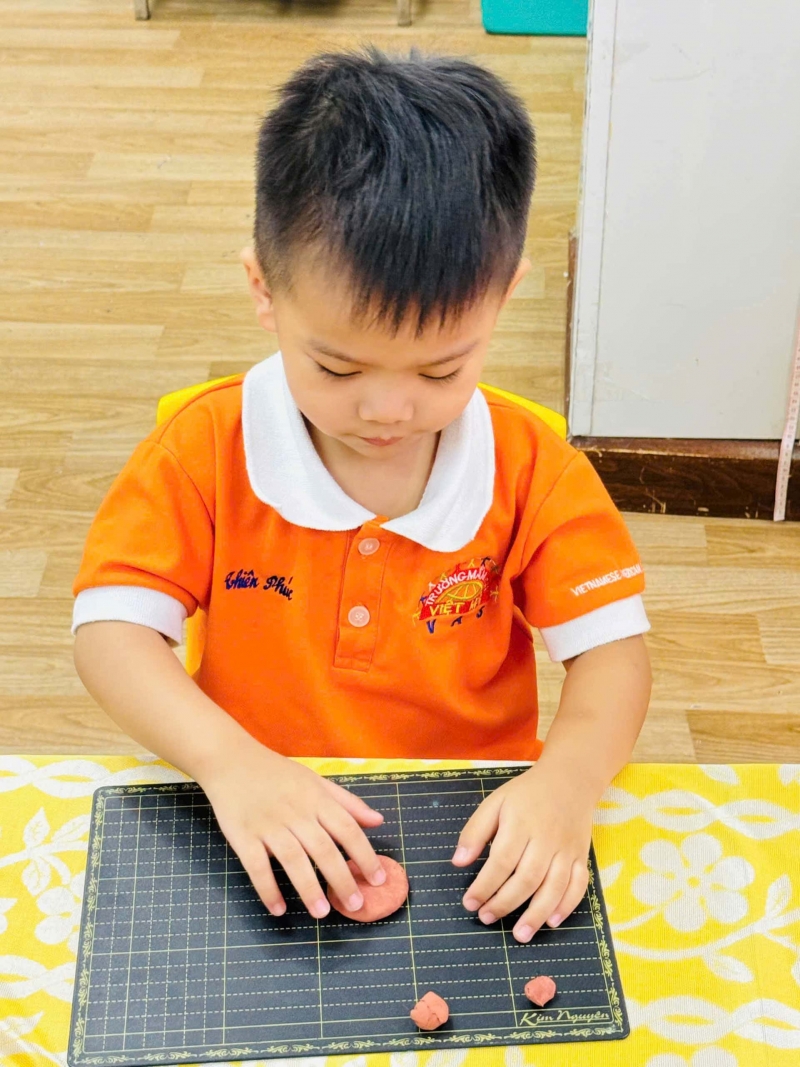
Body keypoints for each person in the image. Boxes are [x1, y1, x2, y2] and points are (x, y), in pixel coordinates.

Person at [72, 45, 651, 945]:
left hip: (473, 824)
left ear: (504, 297)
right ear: (263, 289)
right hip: (256, 803)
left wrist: (568, 783)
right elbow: (111, 632)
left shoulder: (533, 466)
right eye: (338, 368)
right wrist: (228, 762)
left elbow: (612, 655)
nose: (387, 410)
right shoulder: (204, 446)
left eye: (441, 369)